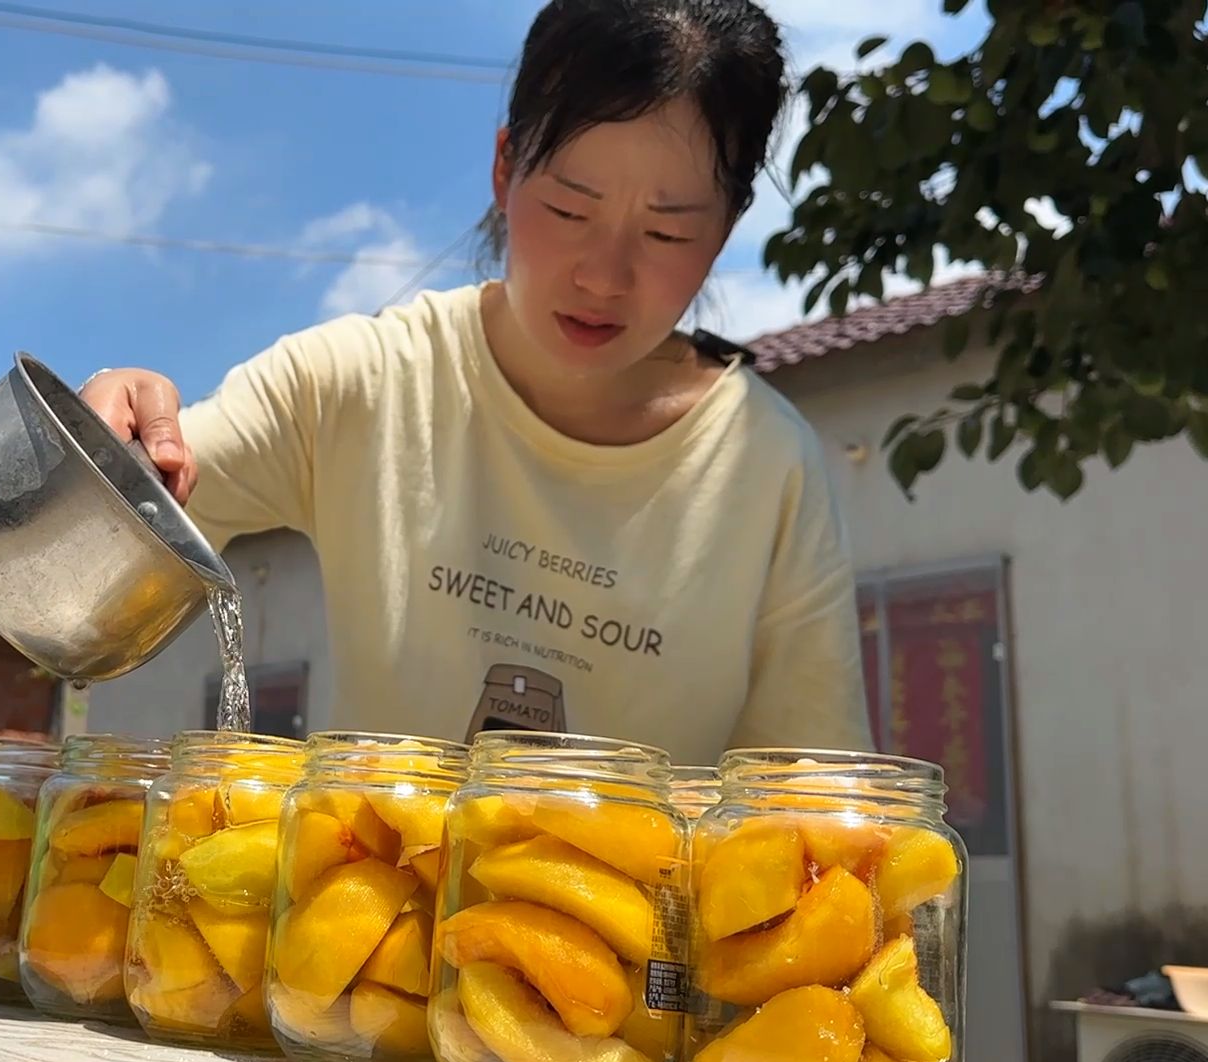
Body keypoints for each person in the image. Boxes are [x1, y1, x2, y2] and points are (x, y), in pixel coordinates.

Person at [82, 0, 873, 764]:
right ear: (504, 168)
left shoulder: (766, 466)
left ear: (727, 228)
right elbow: (121, 538)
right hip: (365, 893)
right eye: (569, 209)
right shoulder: (361, 383)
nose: (603, 276)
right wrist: (107, 433)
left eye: (667, 231)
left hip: (632, 906)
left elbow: (814, 803)